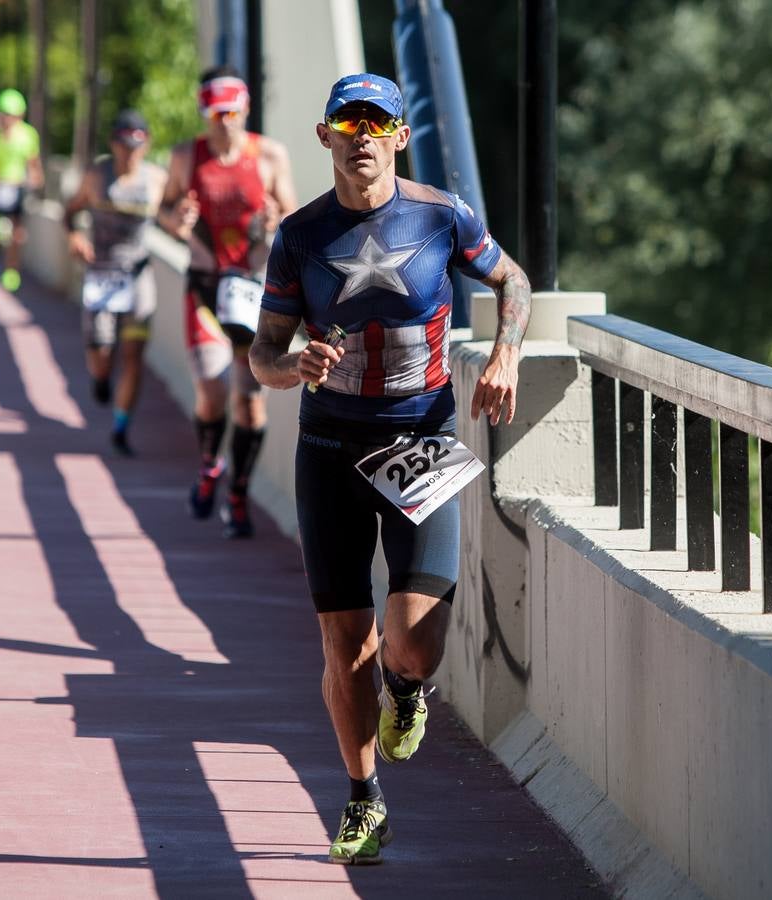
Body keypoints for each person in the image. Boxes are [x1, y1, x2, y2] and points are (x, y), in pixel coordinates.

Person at [248, 73, 531, 865]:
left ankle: (407, 693)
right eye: (350, 123)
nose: (363, 136)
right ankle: (363, 798)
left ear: (400, 137)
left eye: (379, 124)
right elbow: (262, 352)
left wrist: (505, 350)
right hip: (330, 448)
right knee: (346, 647)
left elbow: (511, 277)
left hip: (421, 439)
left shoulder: (441, 215)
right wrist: (290, 362)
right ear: (326, 136)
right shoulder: (300, 236)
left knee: (411, 647)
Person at [158, 66, 297, 538]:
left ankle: (237, 494)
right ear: (204, 113)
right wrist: (178, 219)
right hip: (205, 288)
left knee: (250, 406)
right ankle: (207, 465)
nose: (224, 123)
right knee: (213, 389)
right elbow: (165, 212)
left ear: (246, 109)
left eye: (232, 113)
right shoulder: (186, 156)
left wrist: (277, 222)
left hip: (254, 291)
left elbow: (294, 219)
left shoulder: (270, 156)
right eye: (216, 114)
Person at [63, 109, 167, 457]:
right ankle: (101, 378)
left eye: (136, 146)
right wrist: (75, 236)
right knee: (103, 351)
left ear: (147, 144)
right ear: (113, 144)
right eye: (123, 145)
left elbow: (175, 219)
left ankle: (121, 427)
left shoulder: (156, 179)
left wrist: (183, 221)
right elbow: (70, 210)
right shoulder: (97, 175)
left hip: (138, 275)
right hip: (102, 272)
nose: (129, 153)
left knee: (134, 355)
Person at [0, 88, 43, 292]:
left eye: (10, 115)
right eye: (3, 114)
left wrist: (35, 179)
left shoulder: (28, 135)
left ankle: (11, 270)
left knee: (17, 234)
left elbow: (33, 163)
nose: (6, 119)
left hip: (17, 189)